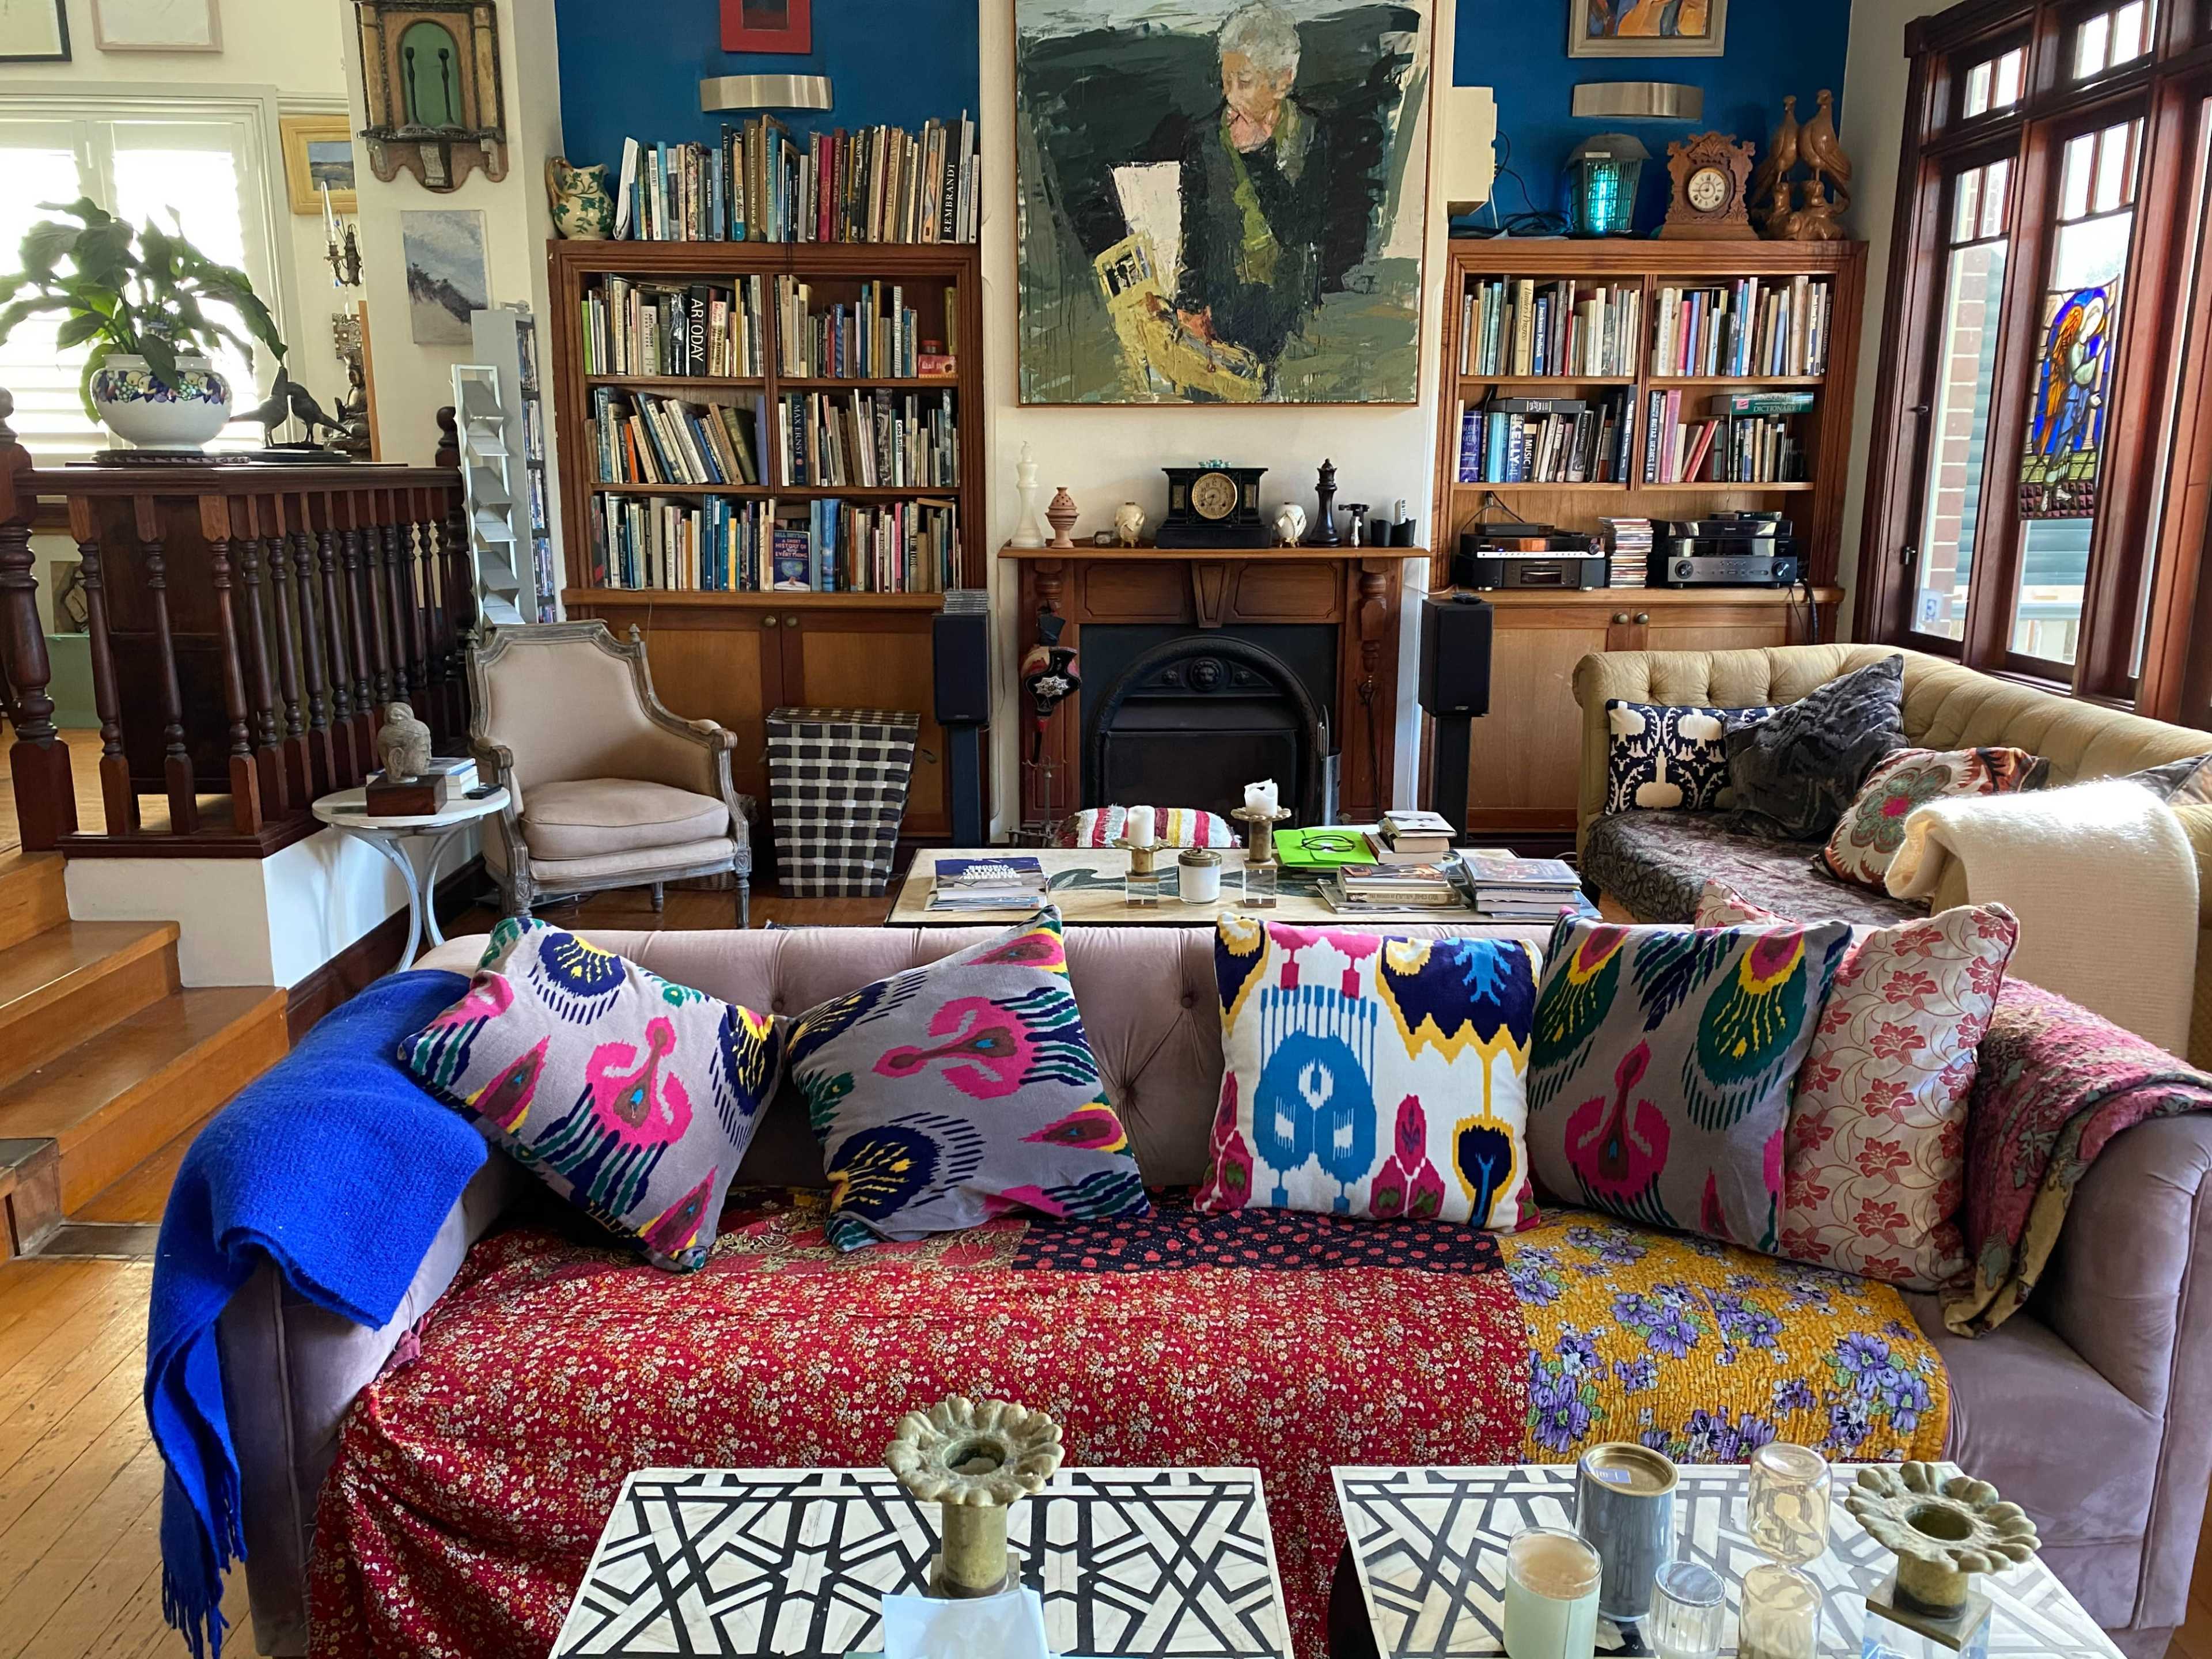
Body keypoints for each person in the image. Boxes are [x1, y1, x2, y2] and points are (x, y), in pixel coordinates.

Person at [1173, 2, 1328, 377]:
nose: (1230, 96)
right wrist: (1190, 303)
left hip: (1290, 321)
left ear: (1283, 82)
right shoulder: (1205, 140)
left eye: (1243, 82)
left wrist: (1258, 155)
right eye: (1226, 81)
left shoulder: (1310, 136)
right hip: (1224, 316)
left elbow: (1298, 231)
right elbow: (1194, 232)